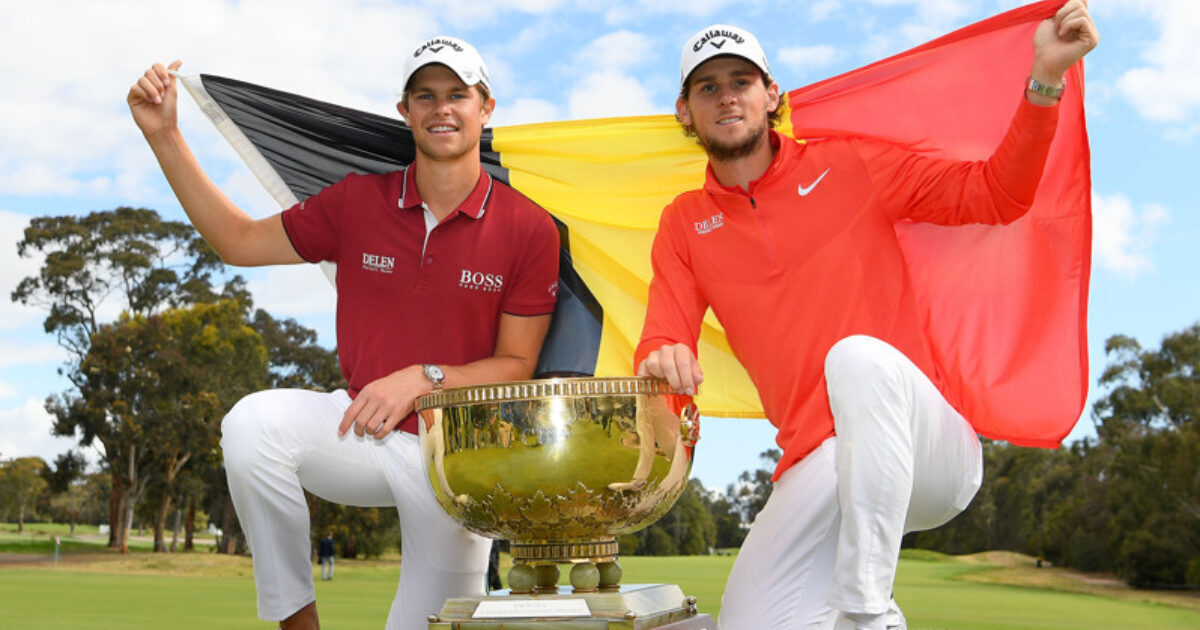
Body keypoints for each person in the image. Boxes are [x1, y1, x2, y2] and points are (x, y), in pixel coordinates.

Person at [634, 3, 1098, 629]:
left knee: (855, 359)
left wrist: (1045, 81)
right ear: (684, 112)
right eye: (707, 86)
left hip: (927, 449)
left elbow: (998, 193)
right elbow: (662, 339)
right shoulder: (684, 223)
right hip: (819, 464)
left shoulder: (849, 164)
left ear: (772, 95)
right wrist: (664, 358)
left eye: (741, 81)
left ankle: (866, 609)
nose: (726, 97)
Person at [128, 36, 560, 630]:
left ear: (485, 108)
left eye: (458, 94)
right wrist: (164, 135)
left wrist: (422, 379)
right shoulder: (358, 202)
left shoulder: (530, 227)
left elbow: (517, 364)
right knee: (253, 426)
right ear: (404, 111)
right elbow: (237, 242)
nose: (442, 108)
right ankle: (298, 624)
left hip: (462, 459)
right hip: (363, 432)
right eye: (425, 96)